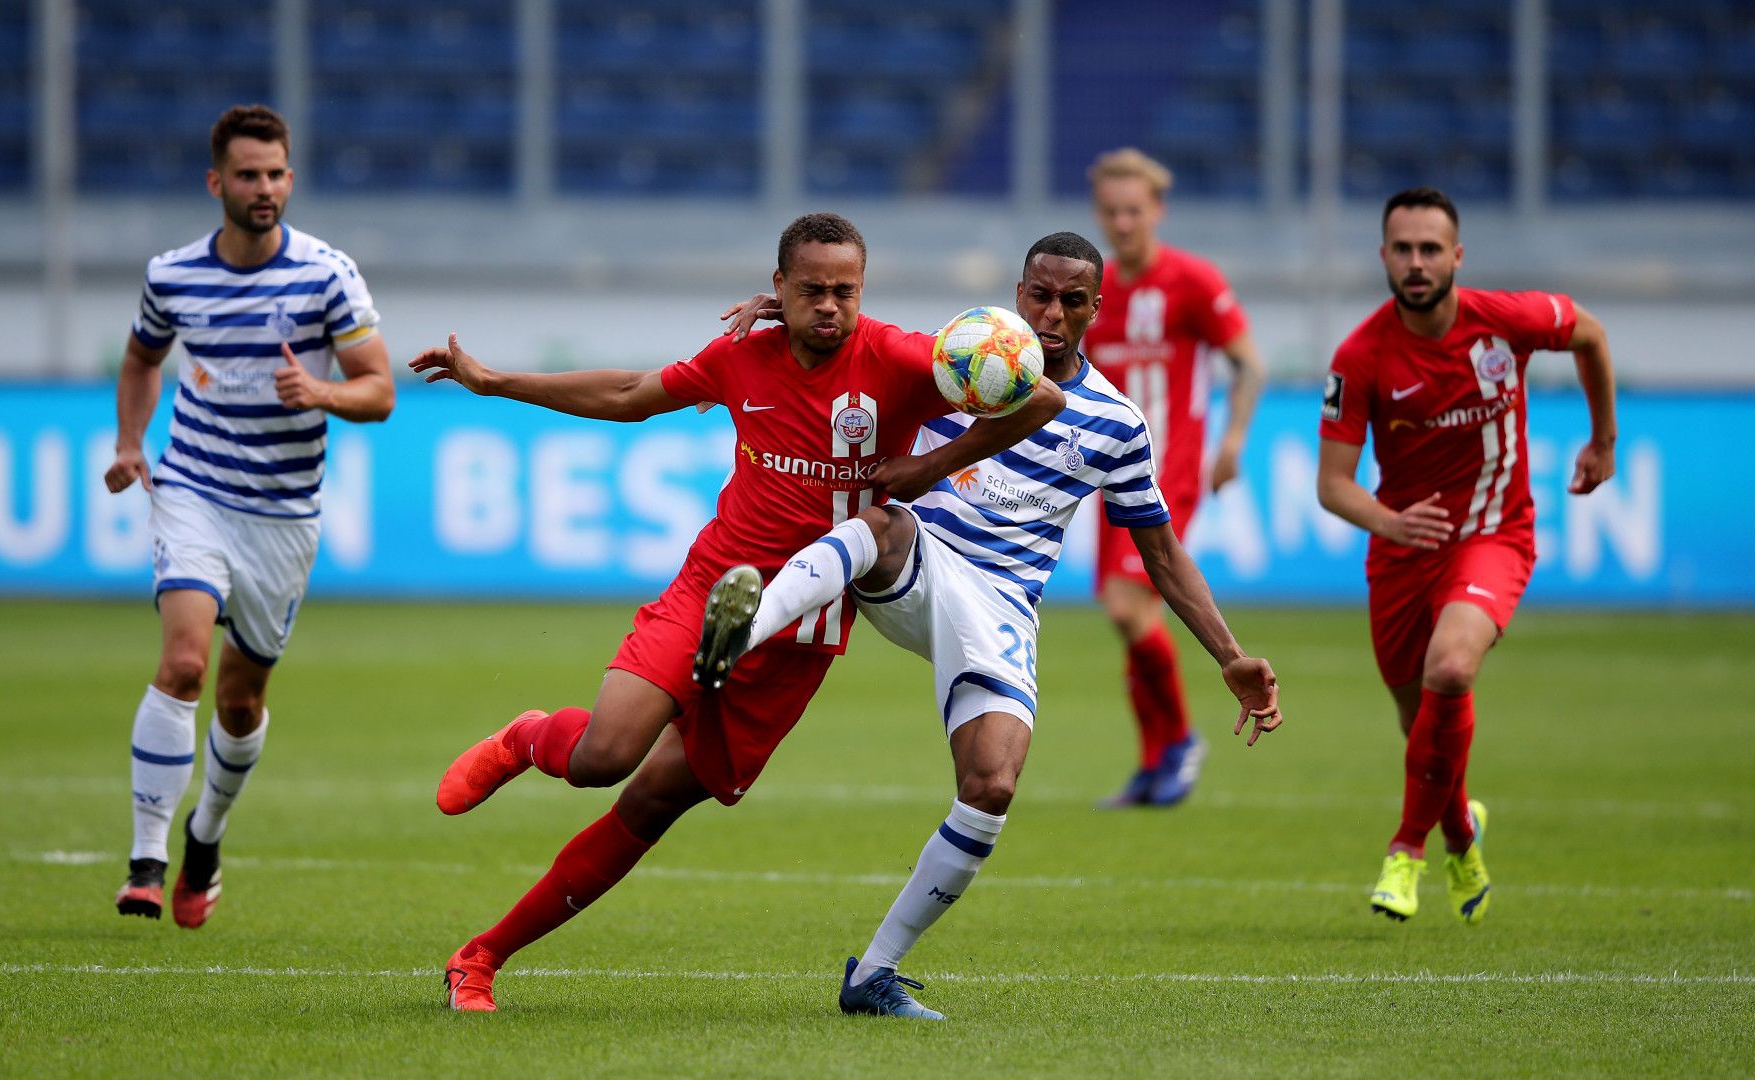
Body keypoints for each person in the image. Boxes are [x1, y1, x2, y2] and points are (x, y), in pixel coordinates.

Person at [410, 212, 1065, 1012]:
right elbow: (628, 393)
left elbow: (1040, 396)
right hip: (713, 593)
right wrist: (496, 381)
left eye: (846, 291)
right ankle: (528, 738)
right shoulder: (741, 357)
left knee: (653, 803)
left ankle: (480, 957)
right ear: (778, 288)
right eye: (814, 290)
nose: (831, 306)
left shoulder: (898, 358)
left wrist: (934, 461)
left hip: (803, 635)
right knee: (604, 758)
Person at [701, 232, 1282, 1019]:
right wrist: (796, 315)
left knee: (993, 783)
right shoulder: (962, 358)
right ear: (1017, 293)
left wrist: (1231, 657)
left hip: (1004, 605)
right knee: (884, 524)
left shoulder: (1115, 424)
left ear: (1095, 310)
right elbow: (862, 347)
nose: (1051, 314)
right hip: (921, 557)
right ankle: (743, 628)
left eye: (1072, 301)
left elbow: (1164, 555)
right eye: (1039, 295)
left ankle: (873, 974)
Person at [103, 104, 394, 927]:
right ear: (216, 183)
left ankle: (207, 834)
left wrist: (323, 392)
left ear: (289, 179)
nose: (263, 189)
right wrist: (131, 442)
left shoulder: (327, 275)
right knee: (185, 665)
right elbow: (141, 355)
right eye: (247, 175)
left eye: (275, 175)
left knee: (238, 701)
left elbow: (379, 391)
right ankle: (146, 861)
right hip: (193, 489)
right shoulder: (173, 276)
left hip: (282, 514)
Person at [1317, 187, 1616, 923]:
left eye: (1429, 249)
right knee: (1418, 717)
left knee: (1451, 667)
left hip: (1493, 535)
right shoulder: (1361, 355)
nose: (1416, 264)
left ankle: (1406, 849)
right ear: (1384, 256)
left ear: (1456, 257)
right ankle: (1461, 834)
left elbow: (1591, 335)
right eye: (1402, 249)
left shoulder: (1504, 321)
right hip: (1401, 553)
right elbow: (1331, 486)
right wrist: (1387, 522)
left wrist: (1603, 438)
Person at [1081, 149, 1267, 808]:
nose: (1122, 223)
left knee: (1131, 608)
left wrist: (1234, 441)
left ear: (1156, 210)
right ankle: (1155, 757)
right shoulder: (1094, 293)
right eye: (1111, 211)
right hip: (1109, 477)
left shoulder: (1192, 281)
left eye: (1133, 210)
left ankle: (1181, 741)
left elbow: (1249, 364)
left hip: (1170, 472)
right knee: (1126, 617)